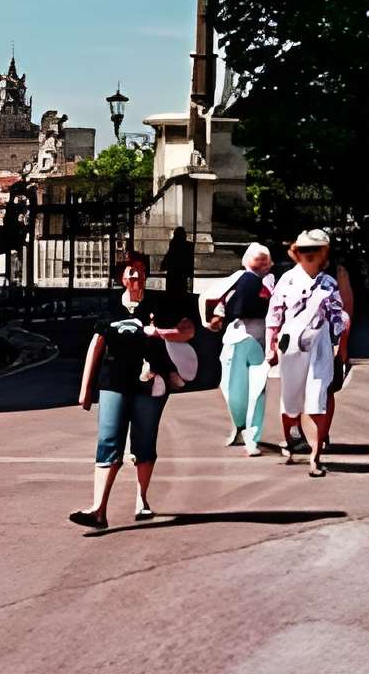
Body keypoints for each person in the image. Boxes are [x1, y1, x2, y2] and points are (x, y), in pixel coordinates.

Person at [70, 259, 192, 529]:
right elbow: (96, 347)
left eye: (140, 270)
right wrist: (85, 389)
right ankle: (98, 509)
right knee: (108, 440)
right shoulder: (110, 309)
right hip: (114, 382)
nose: (137, 274)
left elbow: (187, 331)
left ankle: (142, 499)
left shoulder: (160, 305)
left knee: (144, 440)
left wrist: (161, 333)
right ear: (122, 278)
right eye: (131, 271)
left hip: (151, 383)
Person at [267, 227, 352, 477]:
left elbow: (338, 314)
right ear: (298, 253)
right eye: (305, 251)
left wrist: (339, 341)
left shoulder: (328, 283)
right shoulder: (287, 280)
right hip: (291, 343)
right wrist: (270, 346)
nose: (311, 255)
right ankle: (291, 437)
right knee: (291, 400)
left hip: (320, 345)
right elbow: (274, 314)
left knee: (317, 399)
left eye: (316, 250)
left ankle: (315, 457)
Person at [205, 242, 277, 454]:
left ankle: (252, 438)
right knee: (231, 390)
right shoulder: (234, 282)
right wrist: (214, 321)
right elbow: (218, 313)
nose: (262, 262)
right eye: (258, 257)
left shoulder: (272, 285)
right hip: (234, 340)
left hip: (259, 341)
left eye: (265, 258)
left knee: (256, 391)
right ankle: (239, 426)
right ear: (247, 260)